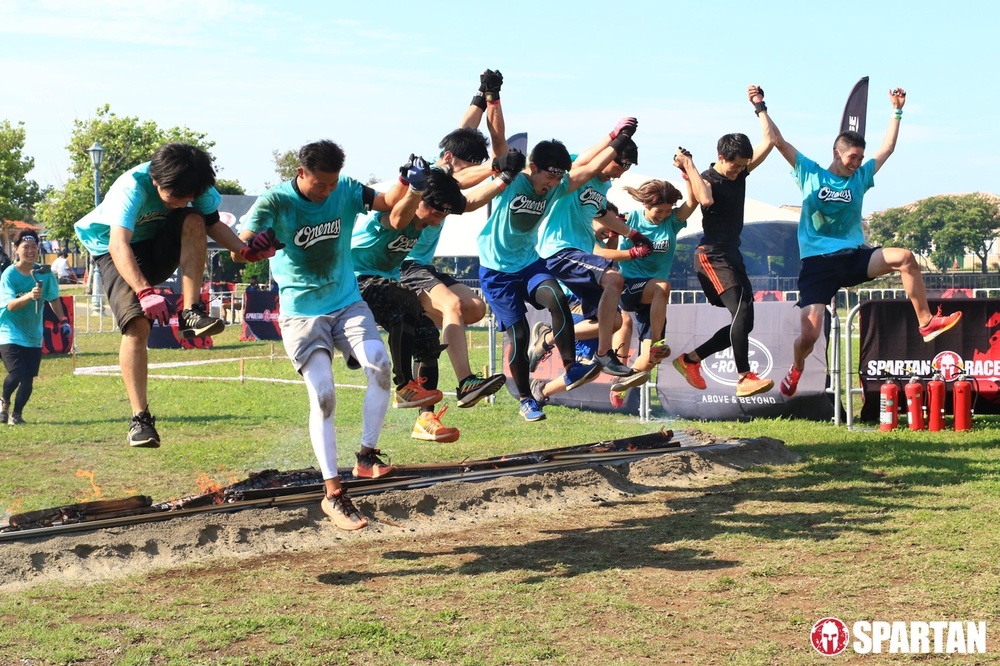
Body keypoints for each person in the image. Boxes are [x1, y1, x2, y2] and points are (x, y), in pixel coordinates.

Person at [236, 139, 405, 531]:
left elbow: (385, 202)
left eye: (332, 184)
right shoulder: (275, 202)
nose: (328, 191)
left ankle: (366, 456)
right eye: (320, 184)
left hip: (346, 300)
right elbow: (238, 249)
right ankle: (333, 494)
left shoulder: (345, 189)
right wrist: (252, 248)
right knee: (324, 396)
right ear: (301, 173)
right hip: (301, 313)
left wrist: (406, 180)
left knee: (381, 366)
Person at [74, 143, 271, 448]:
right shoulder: (131, 188)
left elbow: (213, 224)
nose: (181, 203)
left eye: (188, 197)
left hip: (156, 245)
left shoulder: (195, 186)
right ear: (156, 181)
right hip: (114, 251)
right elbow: (118, 244)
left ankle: (191, 312)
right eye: (174, 197)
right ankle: (140, 419)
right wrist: (144, 291)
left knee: (194, 219)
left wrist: (245, 251)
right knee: (138, 324)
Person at [773, 87, 961, 397]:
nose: (857, 163)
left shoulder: (860, 178)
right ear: (837, 153)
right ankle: (797, 368)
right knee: (809, 334)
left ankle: (926, 321)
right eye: (852, 157)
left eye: (861, 158)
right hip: (818, 265)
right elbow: (779, 142)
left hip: (852, 257)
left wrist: (897, 111)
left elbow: (887, 148)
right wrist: (760, 107)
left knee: (905, 257)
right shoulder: (810, 173)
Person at [477, 122, 636, 422]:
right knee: (520, 334)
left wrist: (618, 139)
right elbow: (499, 138)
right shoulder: (513, 181)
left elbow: (588, 171)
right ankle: (526, 397)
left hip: (528, 263)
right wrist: (491, 98)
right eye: (549, 175)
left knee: (556, 300)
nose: (551, 184)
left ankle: (570, 365)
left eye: (558, 177)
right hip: (496, 271)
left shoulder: (560, 185)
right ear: (533, 166)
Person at [352, 161, 515, 442]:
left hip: (386, 281)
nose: (437, 222)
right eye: (435, 213)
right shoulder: (401, 207)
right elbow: (396, 220)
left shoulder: (428, 212)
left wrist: (502, 178)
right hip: (354, 280)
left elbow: (465, 196)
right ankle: (403, 386)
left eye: (443, 216)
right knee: (406, 303)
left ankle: (424, 419)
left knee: (427, 332)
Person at [399, 70, 510, 410]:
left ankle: (423, 338)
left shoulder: (447, 160)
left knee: (474, 308)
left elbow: (464, 133)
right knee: (452, 306)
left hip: (423, 266)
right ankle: (465, 383)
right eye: (464, 165)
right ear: (449, 160)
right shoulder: (433, 177)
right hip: (400, 264)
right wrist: (499, 168)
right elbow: (467, 183)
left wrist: (481, 96)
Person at [671, 86, 781, 398]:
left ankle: (690, 359)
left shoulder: (741, 171)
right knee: (742, 309)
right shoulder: (706, 178)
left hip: (732, 254)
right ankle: (744, 376)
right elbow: (704, 200)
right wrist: (688, 165)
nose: (739, 170)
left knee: (744, 323)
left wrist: (760, 107)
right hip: (711, 255)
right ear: (721, 158)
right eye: (735, 165)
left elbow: (770, 140)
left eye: (744, 165)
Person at [533, 126, 652, 381]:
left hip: (579, 255)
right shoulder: (580, 171)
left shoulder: (603, 186)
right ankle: (603, 353)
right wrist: (614, 136)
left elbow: (601, 213)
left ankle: (548, 338)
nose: (622, 173)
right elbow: (585, 159)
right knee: (614, 279)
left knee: (616, 322)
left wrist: (633, 235)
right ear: (610, 156)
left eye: (628, 168)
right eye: (622, 165)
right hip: (559, 250)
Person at [614, 170, 702, 406]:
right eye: (658, 211)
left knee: (648, 365)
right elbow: (603, 233)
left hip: (653, 299)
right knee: (662, 285)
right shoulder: (630, 219)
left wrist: (687, 173)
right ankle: (656, 344)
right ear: (645, 204)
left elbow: (693, 202)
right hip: (630, 287)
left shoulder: (672, 221)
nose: (663, 215)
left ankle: (619, 385)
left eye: (667, 210)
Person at [0, 231, 72, 425]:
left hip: (33, 334)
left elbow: (53, 299)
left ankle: (16, 415)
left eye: (34, 247)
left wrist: (64, 321)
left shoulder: (44, 273)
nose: (30, 251)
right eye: (25, 247)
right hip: (10, 333)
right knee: (17, 373)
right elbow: (10, 306)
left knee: (28, 378)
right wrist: (29, 296)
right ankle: (4, 401)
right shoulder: (9, 274)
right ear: (16, 249)